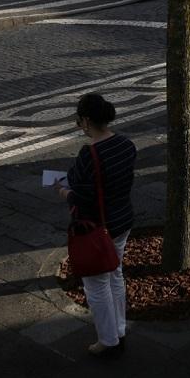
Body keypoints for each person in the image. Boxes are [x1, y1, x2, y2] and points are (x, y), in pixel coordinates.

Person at [58, 92, 137, 356]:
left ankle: (108, 340)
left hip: (97, 228)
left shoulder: (89, 154)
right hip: (122, 220)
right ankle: (120, 328)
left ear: (87, 120)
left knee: (96, 284)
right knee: (115, 273)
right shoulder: (126, 145)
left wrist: (66, 193)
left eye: (78, 120)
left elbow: (80, 193)